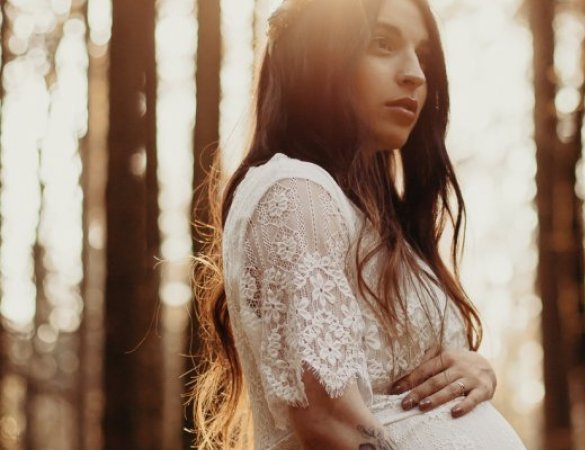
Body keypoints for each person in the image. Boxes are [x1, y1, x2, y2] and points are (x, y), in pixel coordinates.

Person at [189, 0, 527, 448]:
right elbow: (329, 422)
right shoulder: (295, 191)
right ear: (319, 53)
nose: (416, 75)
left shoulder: (375, 218)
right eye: (383, 44)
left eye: (422, 55)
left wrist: (475, 372)